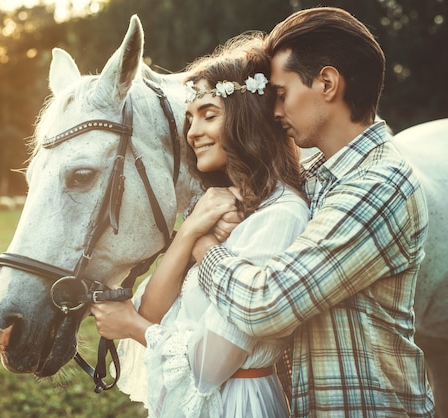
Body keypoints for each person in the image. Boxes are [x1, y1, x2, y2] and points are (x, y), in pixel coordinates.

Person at [189, 7, 436, 417]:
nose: (273, 110)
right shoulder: (319, 175)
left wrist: (204, 247)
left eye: (281, 94)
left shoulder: (379, 185)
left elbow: (267, 304)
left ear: (326, 83)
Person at [91, 33, 309, 417]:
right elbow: (154, 312)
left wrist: (131, 327)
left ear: (247, 118)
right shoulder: (213, 207)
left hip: (237, 403)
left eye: (209, 115)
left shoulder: (280, 215)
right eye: (190, 118)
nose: (192, 133)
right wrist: (191, 231)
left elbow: (212, 366)